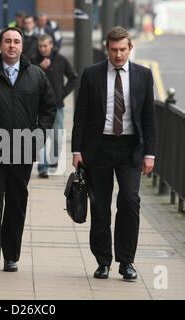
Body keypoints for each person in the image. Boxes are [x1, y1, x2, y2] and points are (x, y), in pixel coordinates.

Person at [0, 27, 57, 273]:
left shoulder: (36, 75)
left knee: (16, 201)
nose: (12, 46)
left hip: (23, 149)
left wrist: (39, 135)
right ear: (1, 45)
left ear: (22, 45)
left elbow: (49, 108)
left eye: (16, 41)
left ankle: (11, 255)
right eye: (7, 41)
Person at [71, 26, 156, 280]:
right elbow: (81, 115)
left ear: (130, 48)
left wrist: (150, 153)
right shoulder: (92, 74)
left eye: (122, 49)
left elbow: (149, 118)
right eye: (113, 50)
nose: (118, 55)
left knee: (130, 202)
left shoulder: (143, 75)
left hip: (130, 149)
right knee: (100, 207)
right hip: (99, 148)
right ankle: (103, 261)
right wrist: (76, 150)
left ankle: (126, 261)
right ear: (106, 49)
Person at [31, 34, 78, 178]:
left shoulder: (60, 60)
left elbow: (73, 78)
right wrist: (40, 68)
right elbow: (28, 78)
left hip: (57, 105)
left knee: (57, 136)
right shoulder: (33, 60)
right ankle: (43, 167)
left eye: (45, 46)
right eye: (40, 46)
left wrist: (62, 94)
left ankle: (53, 159)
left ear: (51, 45)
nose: (43, 49)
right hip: (38, 105)